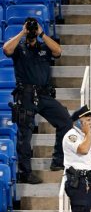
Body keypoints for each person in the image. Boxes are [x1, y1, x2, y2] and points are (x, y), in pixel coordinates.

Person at [3, 17, 73, 184]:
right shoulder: (19, 48)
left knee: (65, 120)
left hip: (43, 95)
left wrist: (42, 33)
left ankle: (58, 161)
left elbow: (58, 51)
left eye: (33, 28)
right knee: (25, 136)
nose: (32, 31)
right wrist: (22, 32)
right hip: (25, 96)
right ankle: (25, 173)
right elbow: (6, 49)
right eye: (31, 28)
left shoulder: (44, 46)